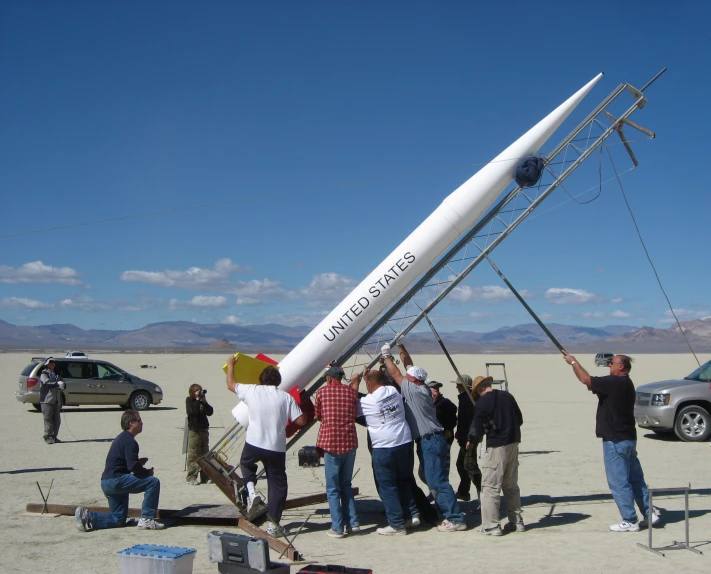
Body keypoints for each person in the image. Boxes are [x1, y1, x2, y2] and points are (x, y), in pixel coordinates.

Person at [563, 352, 660, 532]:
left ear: (621, 367)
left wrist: (573, 362)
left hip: (616, 440)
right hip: (628, 438)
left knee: (618, 481)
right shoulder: (625, 384)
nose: (609, 366)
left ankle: (630, 520)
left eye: (612, 364)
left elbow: (586, 380)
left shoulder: (616, 382)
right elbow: (599, 392)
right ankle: (649, 513)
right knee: (636, 479)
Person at [383, 342, 466, 533]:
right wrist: (401, 346)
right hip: (430, 439)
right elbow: (408, 364)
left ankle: (455, 518)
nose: (407, 376)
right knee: (428, 476)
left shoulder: (415, 391)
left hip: (430, 440)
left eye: (409, 376)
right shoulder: (420, 386)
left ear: (413, 380)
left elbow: (396, 374)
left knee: (437, 481)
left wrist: (387, 355)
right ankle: (447, 508)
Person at [225, 357, 306, 537]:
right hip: (275, 448)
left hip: (253, 443)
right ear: (278, 381)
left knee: (246, 464)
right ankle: (274, 525)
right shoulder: (285, 397)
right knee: (277, 485)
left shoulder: (252, 390)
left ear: (261, 379)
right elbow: (301, 421)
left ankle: (252, 492)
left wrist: (231, 365)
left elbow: (231, 385)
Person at [75, 410, 164, 531]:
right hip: (116, 480)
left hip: (106, 482)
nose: (142, 423)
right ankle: (147, 519)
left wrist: (138, 463)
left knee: (118, 519)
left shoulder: (122, 438)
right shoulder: (130, 441)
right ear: (131, 423)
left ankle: (88, 516)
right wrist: (146, 472)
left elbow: (127, 463)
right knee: (153, 482)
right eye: (139, 420)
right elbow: (132, 467)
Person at [354, 368, 419, 536]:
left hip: (383, 446)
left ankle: (396, 524)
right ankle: (412, 514)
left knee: (387, 485)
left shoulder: (368, 401)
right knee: (404, 479)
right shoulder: (393, 392)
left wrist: (355, 383)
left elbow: (352, 406)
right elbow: (388, 382)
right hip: (403, 441)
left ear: (368, 384)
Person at [467, 376, 524, 536]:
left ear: (478, 389)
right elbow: (519, 419)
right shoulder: (508, 396)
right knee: (511, 485)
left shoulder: (482, 403)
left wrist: (471, 441)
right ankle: (516, 522)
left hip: (496, 446)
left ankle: (491, 525)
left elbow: (476, 428)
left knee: (490, 487)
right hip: (513, 443)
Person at [314, 365, 360, 538]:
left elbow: (318, 415)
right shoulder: (351, 393)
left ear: (328, 378)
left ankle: (338, 527)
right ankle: (353, 522)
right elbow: (355, 413)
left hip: (331, 443)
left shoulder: (322, 393)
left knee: (333, 488)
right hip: (349, 442)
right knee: (346, 484)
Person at [453, 375, 478, 502]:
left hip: (469, 437)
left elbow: (469, 420)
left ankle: (482, 493)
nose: (456, 386)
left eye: (458, 384)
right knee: (461, 464)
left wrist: (469, 437)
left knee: (470, 465)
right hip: (465, 436)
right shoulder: (464, 398)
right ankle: (463, 491)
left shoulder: (468, 399)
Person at [185, 383, 214, 485]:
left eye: (199, 390)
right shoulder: (189, 401)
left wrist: (204, 402)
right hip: (195, 431)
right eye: (196, 390)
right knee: (194, 454)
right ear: (192, 392)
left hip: (204, 430)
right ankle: (191, 477)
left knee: (204, 454)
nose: (199, 392)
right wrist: (197, 400)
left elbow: (210, 412)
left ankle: (205, 477)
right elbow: (193, 412)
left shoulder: (202, 402)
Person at [39, 357, 65, 444]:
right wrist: (56, 384)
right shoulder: (44, 374)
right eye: (51, 362)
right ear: (47, 364)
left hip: (56, 401)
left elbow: (61, 384)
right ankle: (47, 436)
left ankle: (54, 436)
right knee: (48, 419)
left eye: (54, 362)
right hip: (47, 401)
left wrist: (62, 385)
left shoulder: (55, 374)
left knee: (57, 420)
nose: (53, 363)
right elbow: (47, 383)